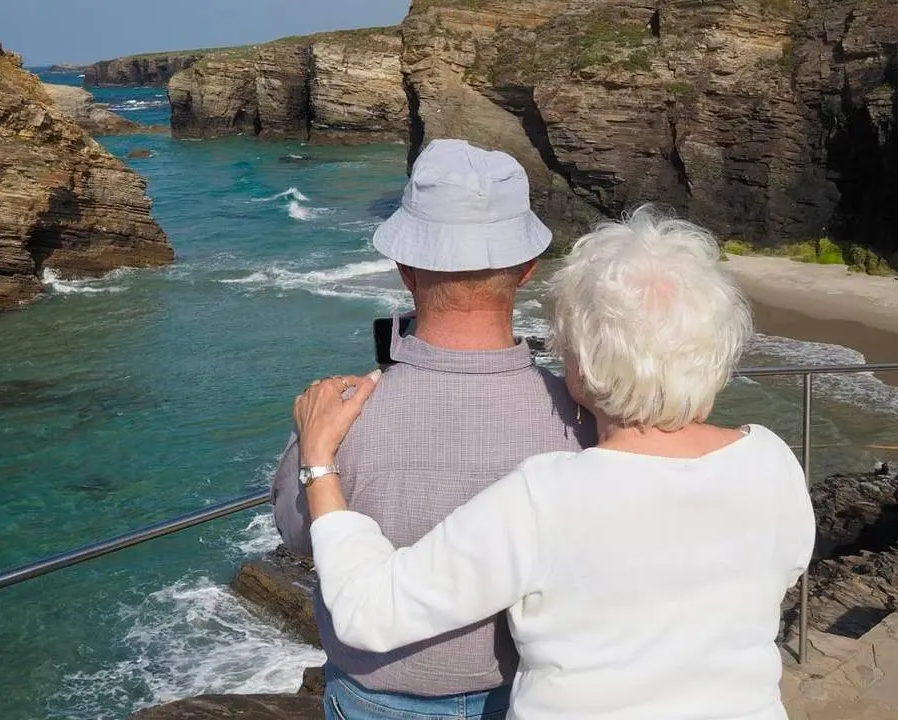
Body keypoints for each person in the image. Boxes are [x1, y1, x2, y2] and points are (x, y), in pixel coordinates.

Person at [292, 206, 817, 720]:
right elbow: (783, 567)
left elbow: (369, 614)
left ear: (583, 368)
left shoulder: (546, 495)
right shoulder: (771, 459)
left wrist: (318, 460)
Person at [271, 139, 595, 719]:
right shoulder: (584, 418)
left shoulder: (340, 420)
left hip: (379, 698)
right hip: (532, 693)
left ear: (404, 269)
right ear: (526, 269)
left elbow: (300, 537)